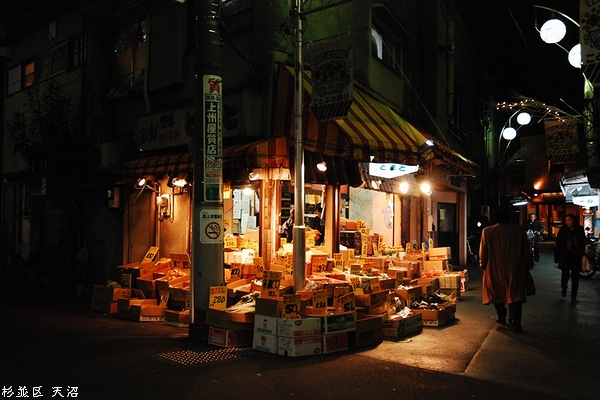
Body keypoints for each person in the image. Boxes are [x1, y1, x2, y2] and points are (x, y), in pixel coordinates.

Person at [479, 208, 533, 332]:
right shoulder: (519, 230)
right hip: (515, 267)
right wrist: (528, 264)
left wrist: (483, 264)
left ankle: (501, 316)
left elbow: (484, 251)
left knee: (497, 293)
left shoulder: (488, 231)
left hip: (495, 268)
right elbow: (526, 249)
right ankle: (516, 321)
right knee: (516, 295)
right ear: (510, 217)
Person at [555, 213, 586, 303]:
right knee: (565, 275)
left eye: (569, 220)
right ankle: (564, 288)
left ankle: (574, 296)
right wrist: (561, 250)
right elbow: (558, 241)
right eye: (566, 220)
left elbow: (582, 241)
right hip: (565, 255)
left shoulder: (579, 229)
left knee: (575, 277)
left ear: (573, 221)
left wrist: (581, 253)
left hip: (575, 255)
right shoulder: (563, 229)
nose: (567, 222)